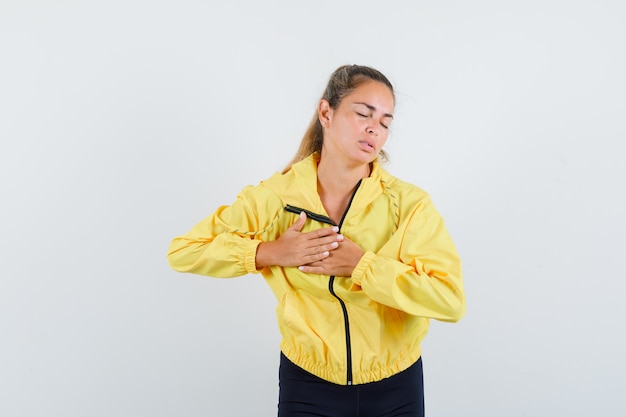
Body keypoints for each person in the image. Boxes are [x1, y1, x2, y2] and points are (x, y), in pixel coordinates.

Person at [167, 64, 465, 417]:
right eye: (363, 114)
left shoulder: (409, 205)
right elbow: (184, 251)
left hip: (396, 385)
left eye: (385, 122)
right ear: (327, 112)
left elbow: (450, 300)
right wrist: (268, 252)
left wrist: (362, 266)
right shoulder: (276, 198)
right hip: (307, 384)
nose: (374, 128)